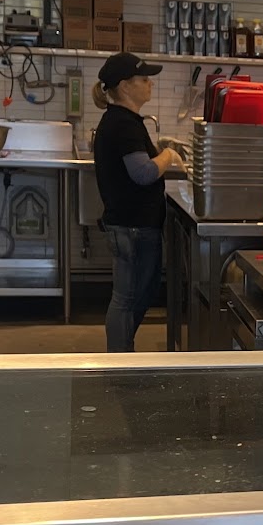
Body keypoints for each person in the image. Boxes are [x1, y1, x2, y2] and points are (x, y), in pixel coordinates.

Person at [91, 52, 181, 353]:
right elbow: (143, 173)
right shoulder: (123, 124)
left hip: (133, 225)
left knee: (135, 297)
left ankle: (122, 358)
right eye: (144, 79)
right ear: (125, 86)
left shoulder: (123, 121)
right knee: (127, 300)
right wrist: (168, 155)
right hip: (132, 228)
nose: (150, 84)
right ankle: (120, 363)